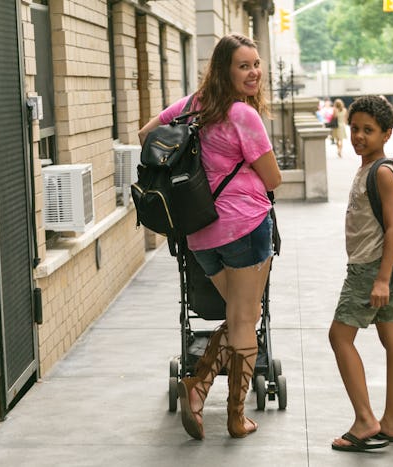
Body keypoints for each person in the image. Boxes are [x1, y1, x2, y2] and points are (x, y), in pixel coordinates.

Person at [138, 33, 282, 440]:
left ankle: (198, 387)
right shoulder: (243, 116)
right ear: (225, 70)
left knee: (240, 314)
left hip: (200, 233)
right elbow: (273, 179)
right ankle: (235, 418)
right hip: (245, 226)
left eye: (256, 64)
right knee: (244, 319)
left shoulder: (189, 106)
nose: (254, 72)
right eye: (244, 66)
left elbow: (146, 135)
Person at [329, 95, 393, 452]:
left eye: (369, 131)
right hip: (376, 269)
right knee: (392, 341)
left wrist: (380, 279)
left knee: (339, 337)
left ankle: (366, 420)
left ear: (387, 134)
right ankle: (390, 423)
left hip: (370, 269)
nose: (359, 136)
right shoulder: (369, 168)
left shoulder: (383, 173)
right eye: (355, 128)